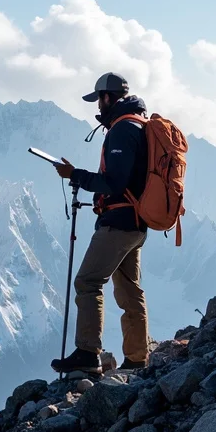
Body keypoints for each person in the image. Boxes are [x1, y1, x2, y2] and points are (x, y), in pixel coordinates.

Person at [51, 72, 150, 373]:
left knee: (88, 282)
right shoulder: (140, 125)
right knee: (129, 290)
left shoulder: (122, 130)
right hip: (137, 223)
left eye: (99, 99)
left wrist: (76, 176)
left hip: (117, 224)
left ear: (108, 97)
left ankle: (87, 353)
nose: (97, 106)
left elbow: (114, 182)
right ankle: (137, 358)